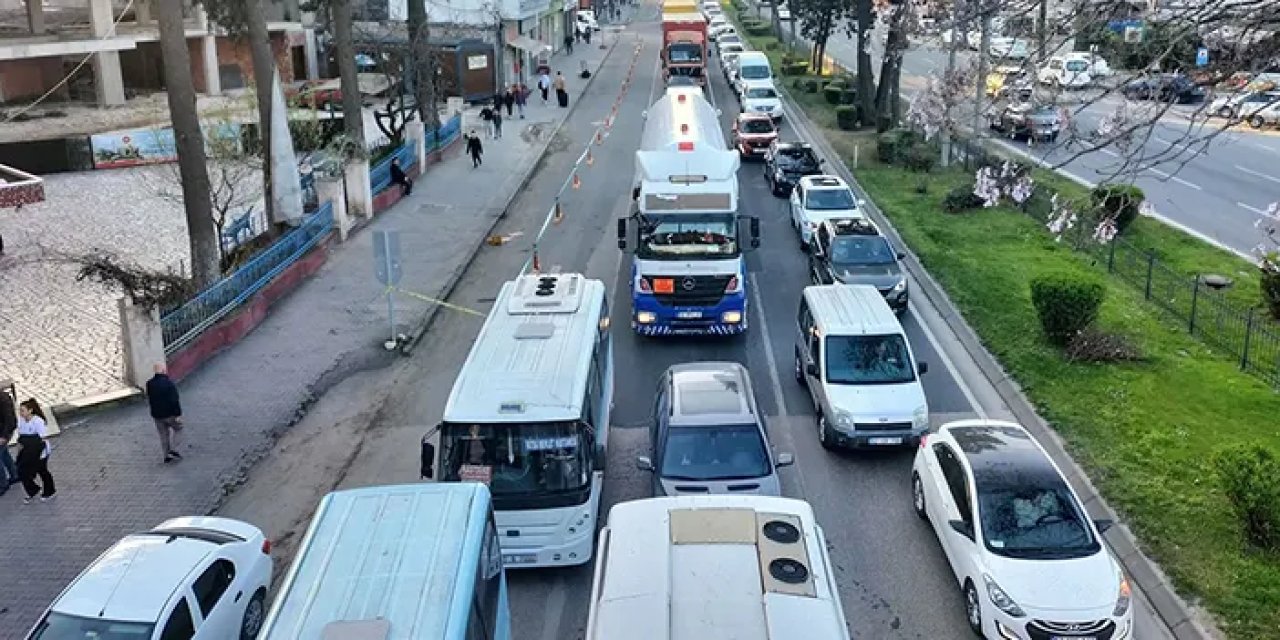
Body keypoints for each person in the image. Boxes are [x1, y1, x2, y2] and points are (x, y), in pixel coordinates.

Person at [15, 398, 55, 504]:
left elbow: (43, 438)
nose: (20, 413)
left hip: (39, 450)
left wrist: (41, 453)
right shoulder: (21, 420)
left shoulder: (38, 421)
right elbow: (20, 435)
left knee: (42, 470)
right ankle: (32, 490)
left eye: (22, 410)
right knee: (21, 471)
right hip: (26, 450)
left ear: (30, 410)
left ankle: (50, 491)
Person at [145, 363, 184, 463]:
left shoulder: (149, 384)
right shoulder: (169, 384)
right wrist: (178, 414)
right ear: (163, 370)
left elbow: (150, 397)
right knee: (179, 429)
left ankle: (166, 455)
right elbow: (174, 400)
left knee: (163, 435)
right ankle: (174, 450)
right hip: (170, 414)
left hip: (157, 415)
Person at [0, 390, 18, 495]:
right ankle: (14, 474)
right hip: (2, 431)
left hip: (4, 432)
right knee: (4, 453)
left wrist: (4, 436)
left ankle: (3, 484)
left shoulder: (3, 399)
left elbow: (9, 420)